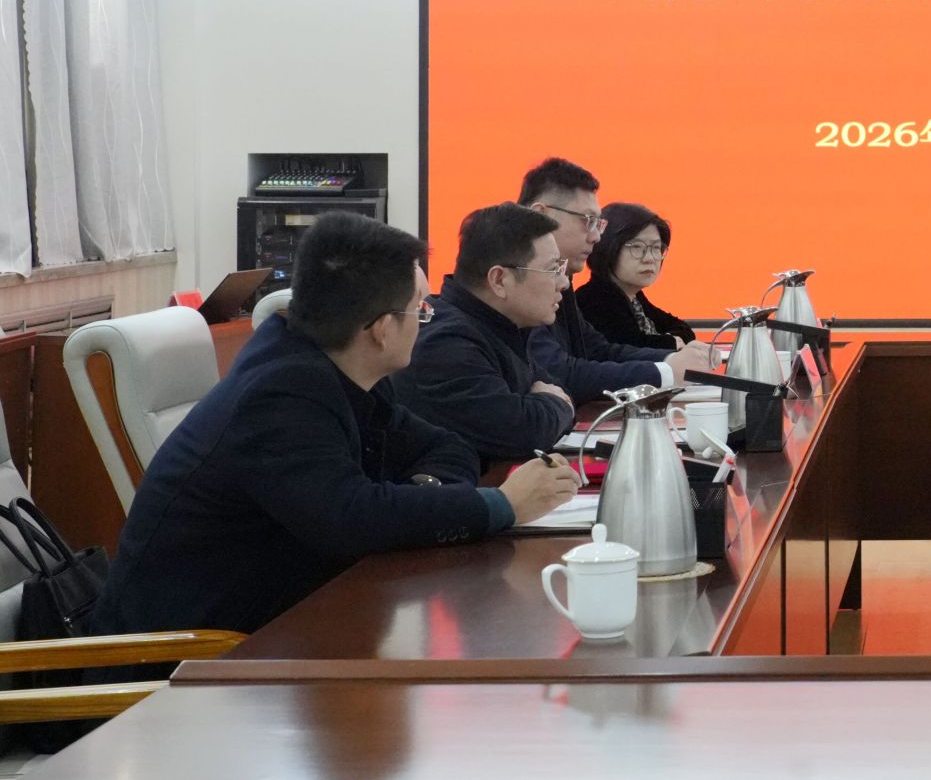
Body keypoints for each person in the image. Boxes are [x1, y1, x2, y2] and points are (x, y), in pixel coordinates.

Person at [95, 212, 581, 637]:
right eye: (420, 309)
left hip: (284, 630)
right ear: (382, 329)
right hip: (188, 663)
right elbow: (351, 519)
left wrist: (422, 494)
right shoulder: (280, 395)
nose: (426, 321)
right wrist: (502, 504)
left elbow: (447, 447)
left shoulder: (345, 368)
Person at [392, 203, 588, 462]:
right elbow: (523, 432)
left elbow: (557, 390)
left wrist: (551, 403)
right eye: (553, 269)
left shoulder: (502, 326)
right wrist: (556, 405)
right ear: (499, 280)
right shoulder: (445, 343)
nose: (563, 283)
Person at [516, 158, 707, 398]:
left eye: (598, 224)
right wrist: (665, 372)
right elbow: (560, 372)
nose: (596, 237)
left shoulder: (564, 279)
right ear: (541, 216)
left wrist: (669, 360)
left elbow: (596, 350)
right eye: (587, 221)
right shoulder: (517, 280)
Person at [579, 202, 695, 347]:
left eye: (656, 248)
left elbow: (683, 329)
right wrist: (671, 342)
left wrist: (669, 341)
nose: (649, 258)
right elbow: (632, 347)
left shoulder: (633, 297)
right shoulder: (594, 300)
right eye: (637, 247)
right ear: (607, 248)